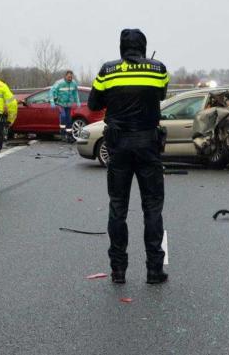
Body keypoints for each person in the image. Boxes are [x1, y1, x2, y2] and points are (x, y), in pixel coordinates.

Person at [88, 29, 170, 285]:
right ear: (143, 46)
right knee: (152, 208)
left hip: (119, 145)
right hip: (148, 144)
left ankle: (118, 271)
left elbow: (92, 104)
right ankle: (155, 270)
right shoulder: (158, 69)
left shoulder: (107, 70)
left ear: (122, 47)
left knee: (118, 208)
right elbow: (162, 95)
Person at [49, 70, 81, 141]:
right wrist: (52, 102)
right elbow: (51, 91)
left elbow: (75, 93)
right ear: (65, 76)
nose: (70, 78)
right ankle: (62, 132)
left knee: (69, 119)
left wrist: (78, 101)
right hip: (61, 103)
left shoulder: (73, 83)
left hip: (69, 104)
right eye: (69, 77)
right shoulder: (60, 83)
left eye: (71, 77)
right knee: (63, 116)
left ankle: (69, 135)